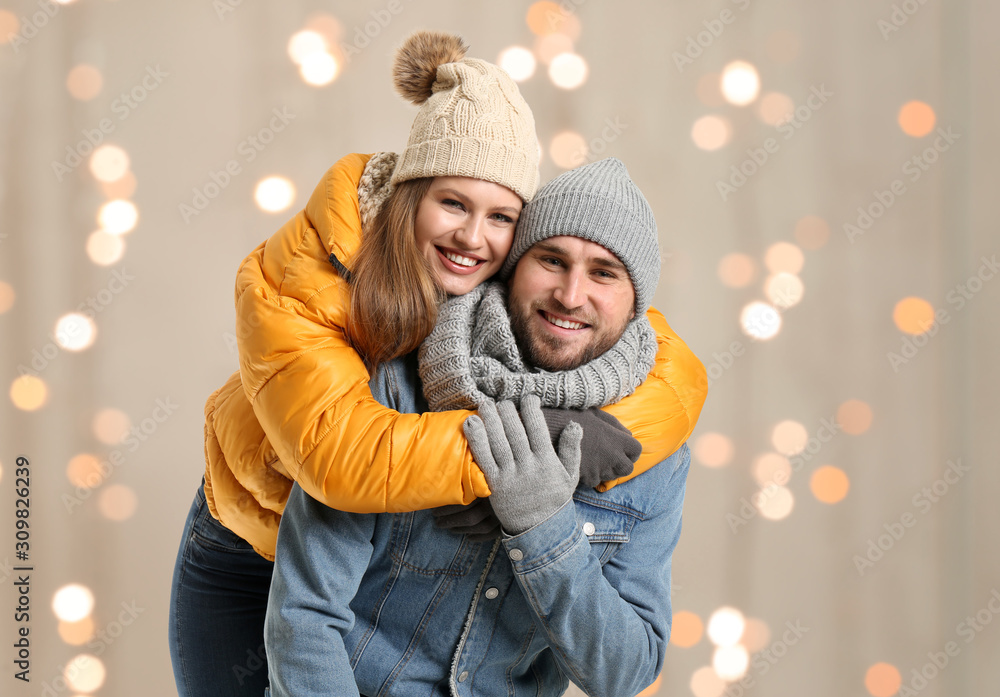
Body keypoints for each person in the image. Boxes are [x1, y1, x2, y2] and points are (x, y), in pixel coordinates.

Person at [169, 31, 706, 697]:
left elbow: (625, 669)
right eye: (452, 202)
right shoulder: (336, 306)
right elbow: (339, 461)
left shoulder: (639, 417)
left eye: (501, 217)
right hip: (247, 540)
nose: (472, 236)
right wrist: (506, 465)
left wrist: (543, 514)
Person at [265, 158, 701, 697]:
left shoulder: (655, 454)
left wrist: (544, 526)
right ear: (513, 266)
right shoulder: (394, 384)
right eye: (551, 259)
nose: (570, 294)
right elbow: (305, 616)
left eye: (604, 273)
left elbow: (625, 673)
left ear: (637, 302)